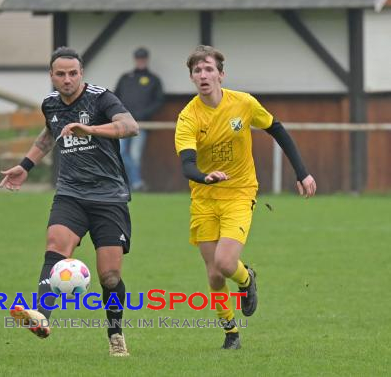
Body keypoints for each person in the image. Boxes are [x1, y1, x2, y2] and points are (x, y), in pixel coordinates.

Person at [174, 45, 316, 350]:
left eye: (209, 69)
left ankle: (247, 279)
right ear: (192, 78)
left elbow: (277, 129)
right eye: (197, 71)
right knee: (213, 274)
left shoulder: (244, 103)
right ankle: (231, 334)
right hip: (203, 198)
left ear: (221, 75)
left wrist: (302, 172)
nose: (203, 75)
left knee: (226, 264)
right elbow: (187, 164)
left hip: (239, 192)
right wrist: (205, 176)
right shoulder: (188, 117)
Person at [0, 46, 138, 357]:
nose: (67, 79)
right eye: (60, 74)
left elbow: (131, 127)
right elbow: (48, 136)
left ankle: (115, 334)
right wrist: (25, 166)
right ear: (51, 76)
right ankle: (41, 317)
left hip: (109, 197)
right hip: (71, 193)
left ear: (81, 73)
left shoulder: (102, 98)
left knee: (110, 276)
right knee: (55, 248)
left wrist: (89, 128)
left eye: (72, 73)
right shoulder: (50, 105)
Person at [114, 47, 164, 191]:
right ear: (135, 59)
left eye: (143, 58)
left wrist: (144, 114)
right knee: (122, 152)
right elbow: (115, 97)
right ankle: (135, 182)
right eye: (138, 58)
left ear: (146, 60)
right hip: (123, 122)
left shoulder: (154, 80)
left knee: (135, 155)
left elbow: (159, 101)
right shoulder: (125, 78)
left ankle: (133, 184)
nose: (140, 61)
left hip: (141, 123)